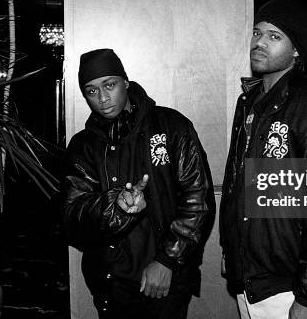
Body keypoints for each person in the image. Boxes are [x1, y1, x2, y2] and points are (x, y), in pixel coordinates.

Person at [220, 0, 307, 319]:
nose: (260, 43)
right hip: (251, 276)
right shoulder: (250, 102)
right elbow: (238, 184)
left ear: (297, 50)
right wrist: (234, 250)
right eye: (257, 32)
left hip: (289, 285)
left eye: (274, 36)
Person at [62, 49, 215, 319]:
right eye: (91, 91)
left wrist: (168, 260)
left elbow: (198, 199)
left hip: (166, 278)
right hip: (111, 281)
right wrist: (115, 206)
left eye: (109, 85)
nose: (103, 97)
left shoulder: (171, 126)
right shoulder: (82, 145)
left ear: (126, 83)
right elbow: (73, 215)